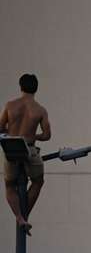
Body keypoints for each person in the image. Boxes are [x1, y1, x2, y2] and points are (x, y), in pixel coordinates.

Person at [1, 73, 51, 235]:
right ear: (36, 89)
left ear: (20, 86)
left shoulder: (10, 105)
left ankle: (19, 217)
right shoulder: (40, 110)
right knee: (37, 182)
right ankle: (25, 215)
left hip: (11, 146)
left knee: (9, 185)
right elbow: (47, 135)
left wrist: (12, 132)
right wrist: (32, 135)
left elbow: (1, 128)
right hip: (29, 148)